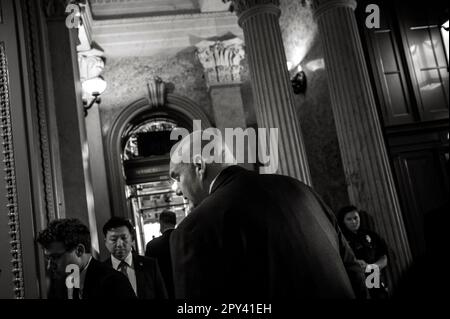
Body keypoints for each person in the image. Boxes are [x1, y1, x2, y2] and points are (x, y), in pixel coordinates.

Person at [169, 130, 368, 299]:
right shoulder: (302, 190)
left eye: (177, 176)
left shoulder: (193, 229)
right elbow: (353, 271)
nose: (177, 189)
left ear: (199, 166)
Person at [36, 218, 136, 299]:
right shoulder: (59, 284)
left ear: (79, 250)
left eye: (55, 257)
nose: (49, 266)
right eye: (48, 258)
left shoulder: (113, 282)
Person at [102, 217, 168, 299]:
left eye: (124, 238)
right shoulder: (100, 272)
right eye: (114, 239)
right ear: (105, 242)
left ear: (132, 239)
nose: (119, 244)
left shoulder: (150, 265)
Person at [338, 205, 389, 299]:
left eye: (355, 218)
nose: (354, 222)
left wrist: (370, 267)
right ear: (343, 221)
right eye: (349, 219)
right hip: (354, 281)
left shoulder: (370, 235)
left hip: (374, 277)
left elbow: (384, 258)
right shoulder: (341, 240)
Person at [145, 210, 177, 299]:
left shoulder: (152, 245)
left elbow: (149, 275)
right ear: (175, 222)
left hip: (163, 292)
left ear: (161, 223)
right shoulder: (185, 240)